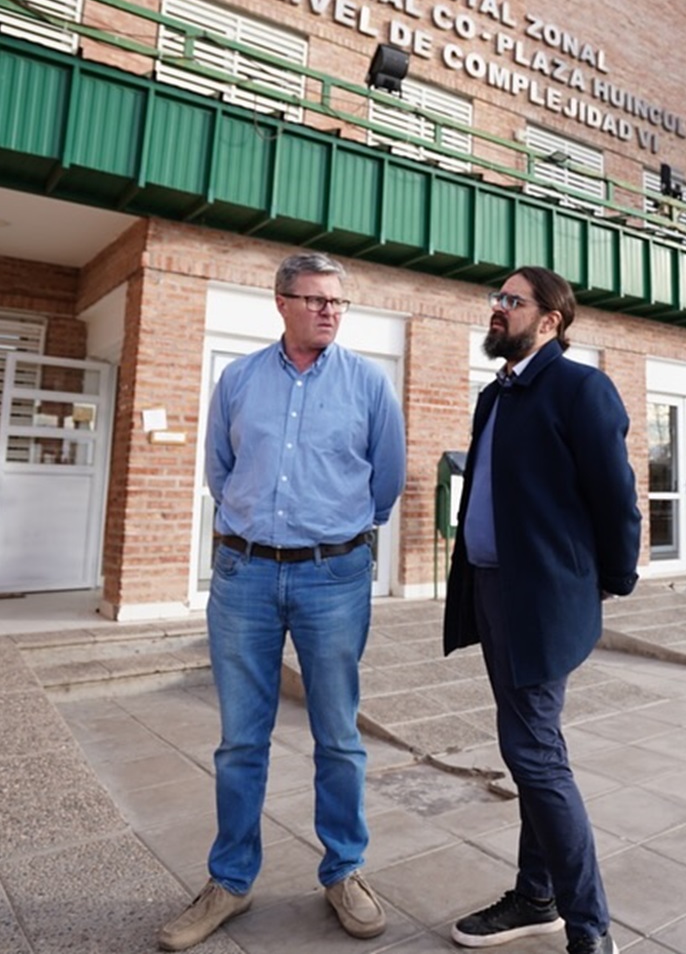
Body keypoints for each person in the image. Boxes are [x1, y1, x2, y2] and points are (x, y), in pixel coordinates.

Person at [158, 251, 407, 952]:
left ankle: (345, 871)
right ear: (282, 302)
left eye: (338, 301)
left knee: (338, 737)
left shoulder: (368, 384)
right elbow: (220, 471)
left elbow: (385, 484)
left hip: (335, 577)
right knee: (241, 740)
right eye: (316, 299)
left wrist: (337, 537)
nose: (330, 310)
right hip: (245, 579)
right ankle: (229, 881)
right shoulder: (237, 381)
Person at [442, 267, 641, 954]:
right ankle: (535, 895)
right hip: (494, 591)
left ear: (549, 320)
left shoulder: (579, 388)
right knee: (533, 753)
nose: (497, 309)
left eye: (511, 301)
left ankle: (591, 931)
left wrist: (613, 578)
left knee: (533, 752)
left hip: (541, 598)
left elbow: (616, 498)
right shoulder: (496, 396)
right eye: (496, 299)